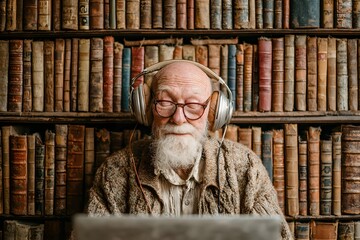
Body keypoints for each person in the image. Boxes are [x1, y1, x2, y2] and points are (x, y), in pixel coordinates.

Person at [85, 60, 293, 239]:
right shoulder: (114, 172)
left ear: (213, 113)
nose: (178, 118)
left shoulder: (247, 168)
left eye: (193, 104)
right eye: (165, 102)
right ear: (146, 108)